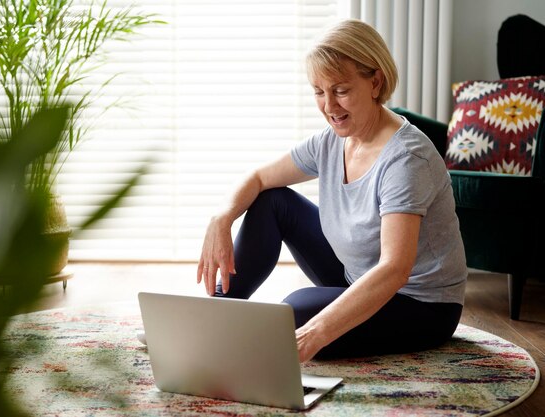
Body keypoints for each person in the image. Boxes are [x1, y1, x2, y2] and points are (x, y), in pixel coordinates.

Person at [196, 19, 467, 362]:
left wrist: (315, 333)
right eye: (319, 92)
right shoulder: (331, 141)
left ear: (375, 81)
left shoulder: (407, 158)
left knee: (294, 313)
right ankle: (215, 316)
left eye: (340, 90)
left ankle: (272, 331)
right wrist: (221, 219)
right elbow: (259, 178)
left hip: (420, 305)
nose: (329, 106)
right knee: (272, 201)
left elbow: (396, 269)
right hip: (357, 273)